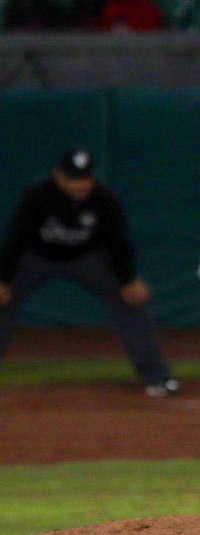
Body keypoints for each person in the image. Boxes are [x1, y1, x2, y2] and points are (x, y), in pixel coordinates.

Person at [0, 147, 178, 396]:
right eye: (74, 178)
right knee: (2, 301)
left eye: (86, 178)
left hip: (86, 258)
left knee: (131, 300)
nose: (82, 184)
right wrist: (4, 280)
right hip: (36, 256)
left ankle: (155, 377)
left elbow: (117, 242)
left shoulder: (104, 198)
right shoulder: (37, 195)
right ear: (59, 176)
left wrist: (128, 281)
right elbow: (16, 237)